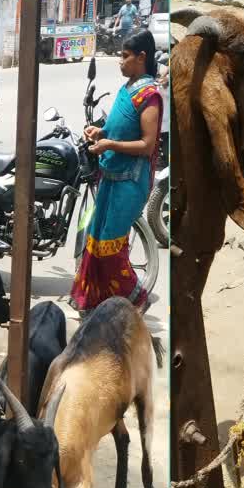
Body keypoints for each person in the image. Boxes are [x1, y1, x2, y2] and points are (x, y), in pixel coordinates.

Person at [70, 30, 161, 314]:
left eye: (124, 56)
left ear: (141, 58)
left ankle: (135, 298)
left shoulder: (150, 96)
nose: (120, 62)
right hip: (110, 176)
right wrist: (100, 132)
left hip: (129, 183)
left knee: (109, 247)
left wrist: (110, 144)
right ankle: (98, 304)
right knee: (95, 241)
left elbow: (146, 145)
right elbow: (117, 126)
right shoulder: (127, 88)